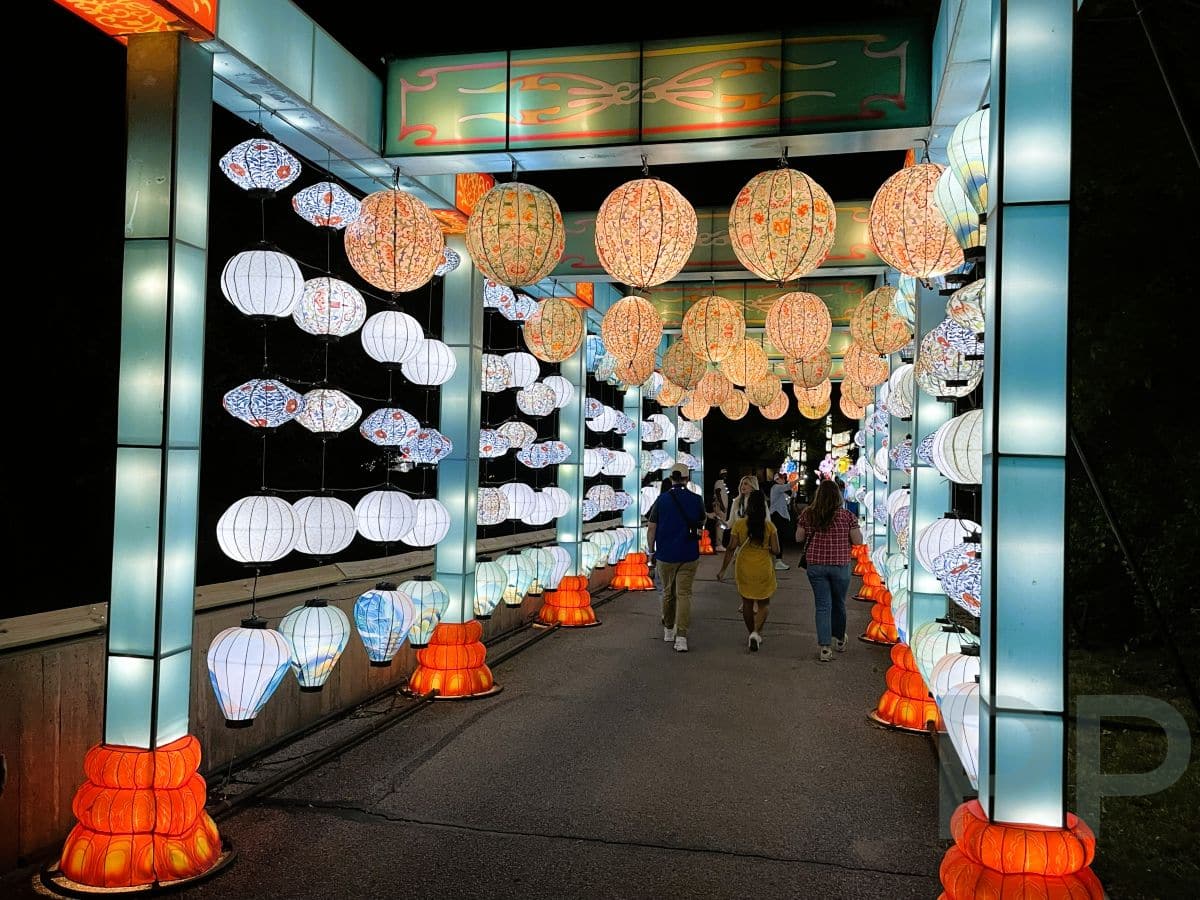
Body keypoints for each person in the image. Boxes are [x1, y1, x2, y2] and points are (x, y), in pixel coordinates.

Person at [795, 479, 864, 662]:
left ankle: (825, 647)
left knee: (823, 605)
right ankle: (840, 639)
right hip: (840, 565)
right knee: (839, 603)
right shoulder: (847, 516)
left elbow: (798, 538)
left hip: (816, 566)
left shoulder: (808, 514)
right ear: (838, 496)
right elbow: (858, 541)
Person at [646, 463, 706, 653]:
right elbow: (701, 521)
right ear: (687, 479)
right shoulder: (696, 499)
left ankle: (668, 629)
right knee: (685, 594)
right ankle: (681, 638)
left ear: (671, 478)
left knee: (668, 593)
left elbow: (651, 527)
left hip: (665, 554)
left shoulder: (661, 500)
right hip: (689, 553)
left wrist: (651, 551)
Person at [716, 490, 779, 652]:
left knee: (747, 603)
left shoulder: (739, 524)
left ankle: (751, 632)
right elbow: (777, 550)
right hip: (763, 567)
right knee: (764, 603)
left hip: (744, 567)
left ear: (749, 506)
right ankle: (756, 633)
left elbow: (730, 548)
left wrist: (723, 570)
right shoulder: (770, 526)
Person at [768, 472, 793, 571]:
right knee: (777, 538)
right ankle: (778, 561)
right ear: (778, 479)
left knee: (778, 538)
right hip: (777, 516)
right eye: (783, 478)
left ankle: (777, 560)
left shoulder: (780, 490)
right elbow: (788, 486)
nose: (784, 480)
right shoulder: (776, 487)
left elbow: (789, 498)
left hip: (779, 516)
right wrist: (798, 480)